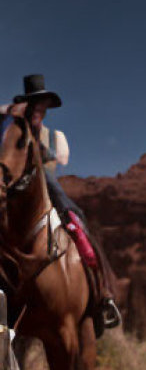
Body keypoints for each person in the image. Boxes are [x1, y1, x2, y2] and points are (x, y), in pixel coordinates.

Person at [12, 74, 121, 331]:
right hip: (17, 190)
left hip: (46, 190)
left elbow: (60, 160)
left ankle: (102, 293)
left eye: (42, 104)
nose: (39, 109)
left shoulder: (54, 136)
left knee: (76, 219)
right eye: (33, 103)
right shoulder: (12, 130)